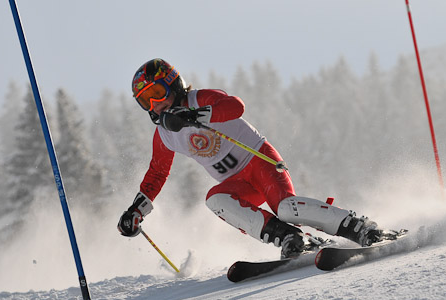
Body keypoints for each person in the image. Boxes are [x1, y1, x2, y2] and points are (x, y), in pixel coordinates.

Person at [118, 58, 389, 258]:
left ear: (173, 85)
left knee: (285, 208)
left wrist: (198, 115)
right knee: (215, 199)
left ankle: (357, 227)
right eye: (145, 101)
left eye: (156, 94)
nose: (155, 106)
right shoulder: (165, 135)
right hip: (238, 183)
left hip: (260, 162)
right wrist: (137, 211)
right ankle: (289, 238)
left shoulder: (199, 99)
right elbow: (157, 173)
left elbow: (236, 106)